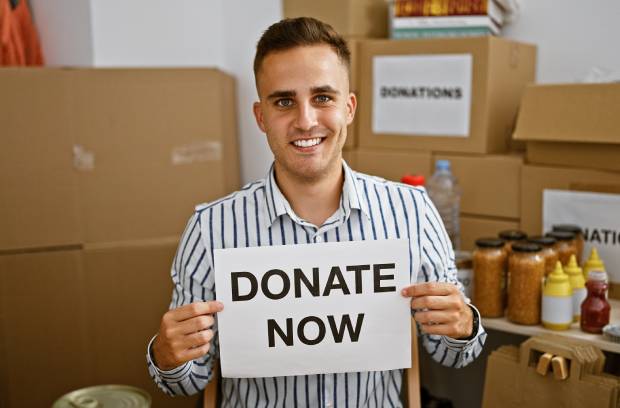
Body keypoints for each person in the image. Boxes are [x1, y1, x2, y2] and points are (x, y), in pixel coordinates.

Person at [146, 17, 486, 407]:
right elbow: (185, 381)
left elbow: (453, 353)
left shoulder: (412, 212)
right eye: (284, 101)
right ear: (261, 117)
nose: (305, 120)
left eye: (323, 97)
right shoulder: (211, 229)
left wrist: (464, 326)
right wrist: (167, 357)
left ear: (349, 108)